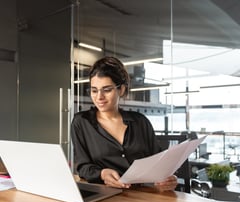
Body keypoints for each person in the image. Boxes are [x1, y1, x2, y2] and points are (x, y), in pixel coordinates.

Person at [71, 56, 177, 192]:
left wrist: (168, 178)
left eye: (107, 90)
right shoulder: (82, 122)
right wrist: (102, 173)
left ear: (121, 89)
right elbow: (83, 167)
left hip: (145, 197)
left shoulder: (140, 122)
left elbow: (159, 163)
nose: (99, 97)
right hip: (105, 197)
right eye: (94, 90)